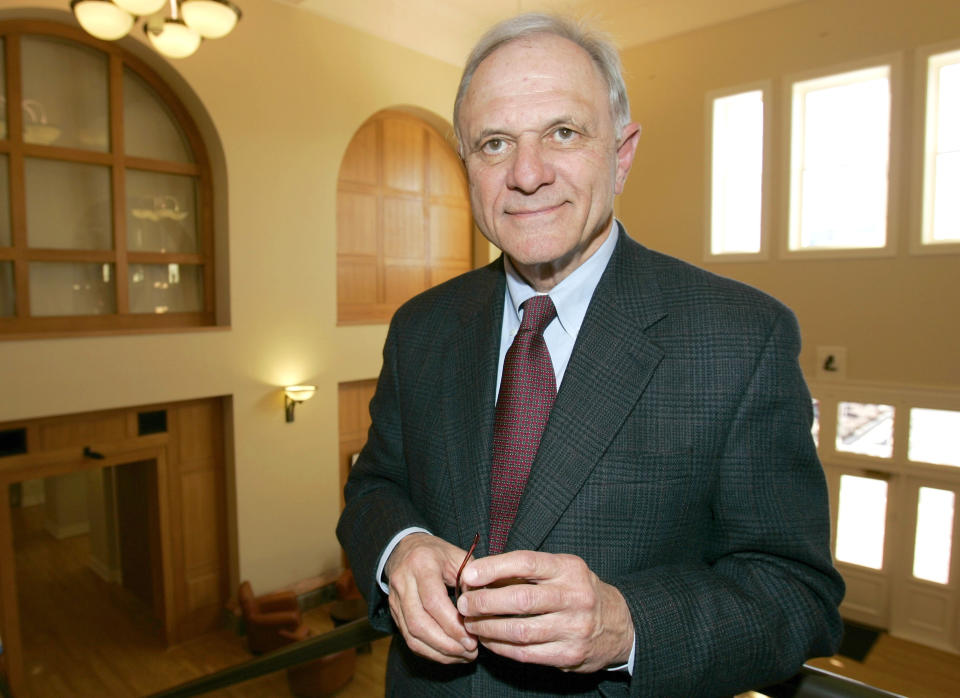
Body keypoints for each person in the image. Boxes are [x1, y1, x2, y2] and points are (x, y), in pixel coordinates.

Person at [337, 12, 844, 697]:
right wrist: (400, 550)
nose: (526, 174)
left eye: (563, 133)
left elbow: (798, 596)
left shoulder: (741, 338)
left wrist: (626, 626)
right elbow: (373, 486)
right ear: (469, 169)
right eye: (494, 144)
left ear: (622, 152)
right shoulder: (421, 327)